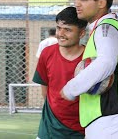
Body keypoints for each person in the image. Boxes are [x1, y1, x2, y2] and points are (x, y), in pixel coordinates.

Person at [60, 0, 118, 139]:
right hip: (109, 123)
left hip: (112, 123)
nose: (77, 3)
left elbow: (106, 63)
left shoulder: (106, 28)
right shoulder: (103, 29)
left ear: (101, 3)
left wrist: (71, 88)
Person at [33, 7, 88, 139]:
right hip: (48, 129)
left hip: (81, 130)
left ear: (81, 33)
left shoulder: (90, 59)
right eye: (58, 28)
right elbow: (45, 89)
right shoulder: (47, 53)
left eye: (67, 29)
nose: (60, 33)